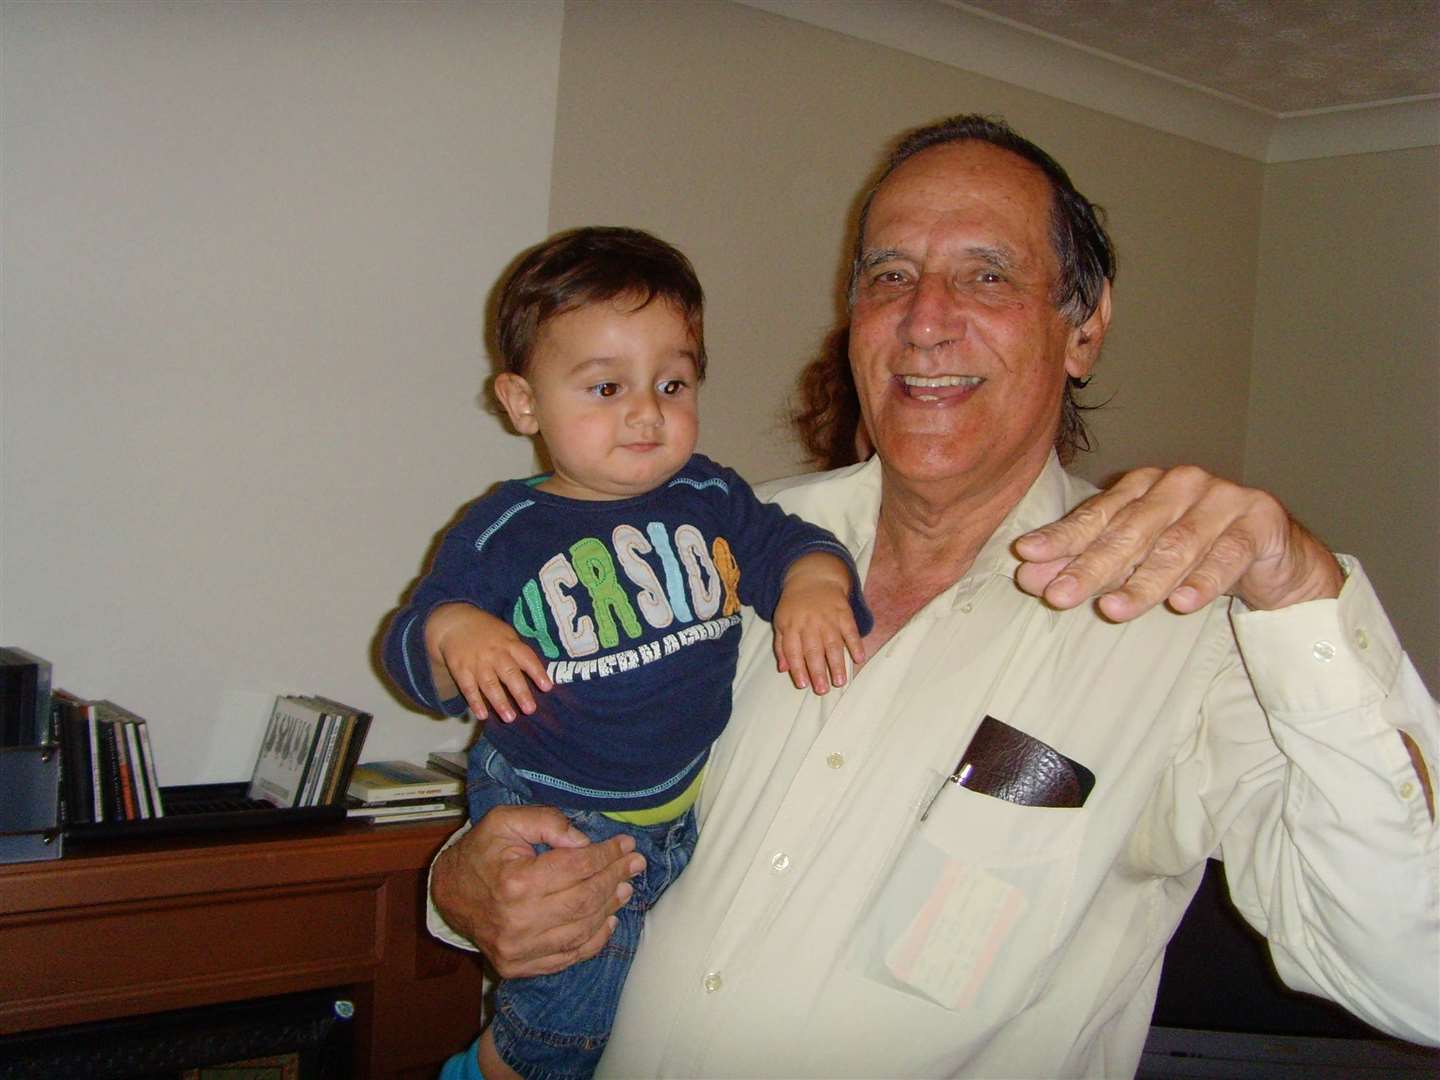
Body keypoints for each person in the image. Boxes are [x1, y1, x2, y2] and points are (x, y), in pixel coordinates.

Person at [425, 116, 1439, 1077]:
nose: (925, 321)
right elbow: (549, 764)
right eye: (891, 276)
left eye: (985, 276)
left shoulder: (1191, 631)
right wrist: (458, 881)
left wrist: (1300, 590)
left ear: (1082, 329)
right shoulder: (708, 546)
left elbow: (1411, 971)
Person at [382, 226, 871, 1080]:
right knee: (565, 1019)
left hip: (675, 806)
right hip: (551, 798)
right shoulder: (503, 529)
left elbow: (792, 543)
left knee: (638, 1001)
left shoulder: (712, 495)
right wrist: (451, 629)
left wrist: (816, 585)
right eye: (605, 387)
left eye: (672, 382)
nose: (646, 411)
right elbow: (410, 646)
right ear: (523, 403)